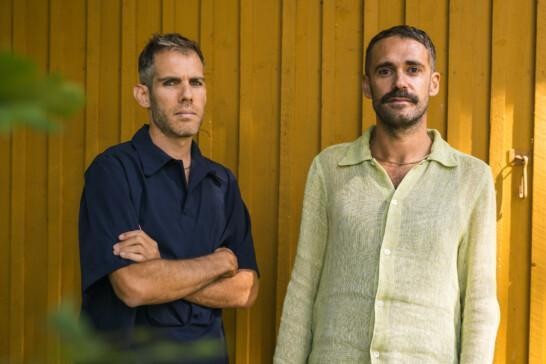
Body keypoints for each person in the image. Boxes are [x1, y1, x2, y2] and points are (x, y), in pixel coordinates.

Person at [274, 25, 499, 363]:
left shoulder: (471, 179)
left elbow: (480, 301)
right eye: (385, 70)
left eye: (413, 69)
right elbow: (303, 287)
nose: (399, 83)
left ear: (433, 83)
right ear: (367, 85)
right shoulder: (330, 169)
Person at [79, 33, 259, 363]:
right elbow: (134, 287)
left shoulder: (221, 183)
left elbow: (245, 289)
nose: (187, 95)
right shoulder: (113, 172)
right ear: (143, 95)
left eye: (197, 82)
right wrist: (220, 263)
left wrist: (160, 265)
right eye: (171, 83)